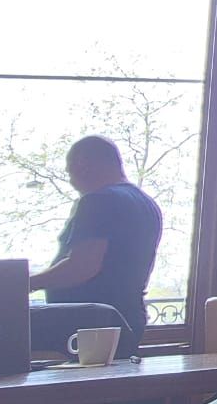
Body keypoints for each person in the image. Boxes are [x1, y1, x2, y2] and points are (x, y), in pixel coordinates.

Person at [28, 135, 163, 355]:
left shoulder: (99, 200)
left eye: (70, 172)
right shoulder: (146, 203)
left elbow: (82, 267)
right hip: (126, 318)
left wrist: (26, 283)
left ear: (83, 165)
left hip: (89, 325)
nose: (72, 182)